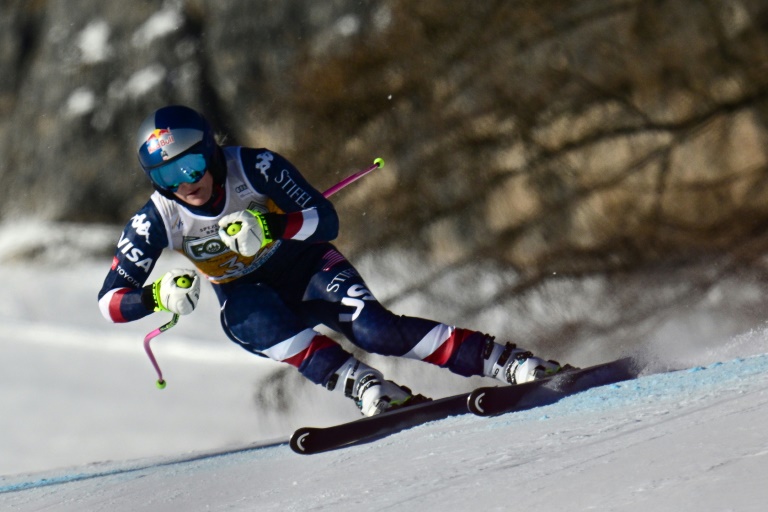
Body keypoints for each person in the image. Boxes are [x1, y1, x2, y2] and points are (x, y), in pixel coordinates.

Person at [98, 105, 563, 417]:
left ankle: (508, 362)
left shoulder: (256, 167)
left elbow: (325, 219)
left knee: (377, 331)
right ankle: (367, 387)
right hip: (248, 295)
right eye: (165, 175)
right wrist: (155, 294)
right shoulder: (157, 218)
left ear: (210, 150)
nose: (185, 184)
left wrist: (273, 227)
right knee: (247, 318)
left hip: (308, 267)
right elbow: (109, 302)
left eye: (191, 165)